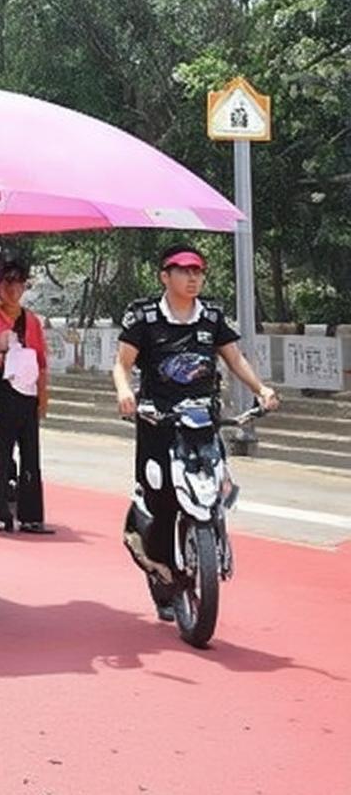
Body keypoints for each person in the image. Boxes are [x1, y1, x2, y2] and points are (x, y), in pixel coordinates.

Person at [112, 243, 280, 621]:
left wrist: (261, 389)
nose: (193, 278)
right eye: (184, 271)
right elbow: (122, 365)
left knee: (213, 492)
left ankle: (206, 549)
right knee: (161, 506)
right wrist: (125, 392)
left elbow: (235, 359)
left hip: (203, 423)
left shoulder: (212, 317)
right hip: (158, 423)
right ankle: (159, 571)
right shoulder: (144, 316)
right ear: (164, 276)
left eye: (198, 271)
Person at [0, 259, 54, 534]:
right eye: (7, 282)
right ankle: (1, 512)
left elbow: (41, 362)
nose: (13, 288)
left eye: (18, 282)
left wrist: (43, 398)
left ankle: (31, 514)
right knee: (2, 453)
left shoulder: (31, 321)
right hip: (1, 393)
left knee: (31, 455)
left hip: (27, 394)